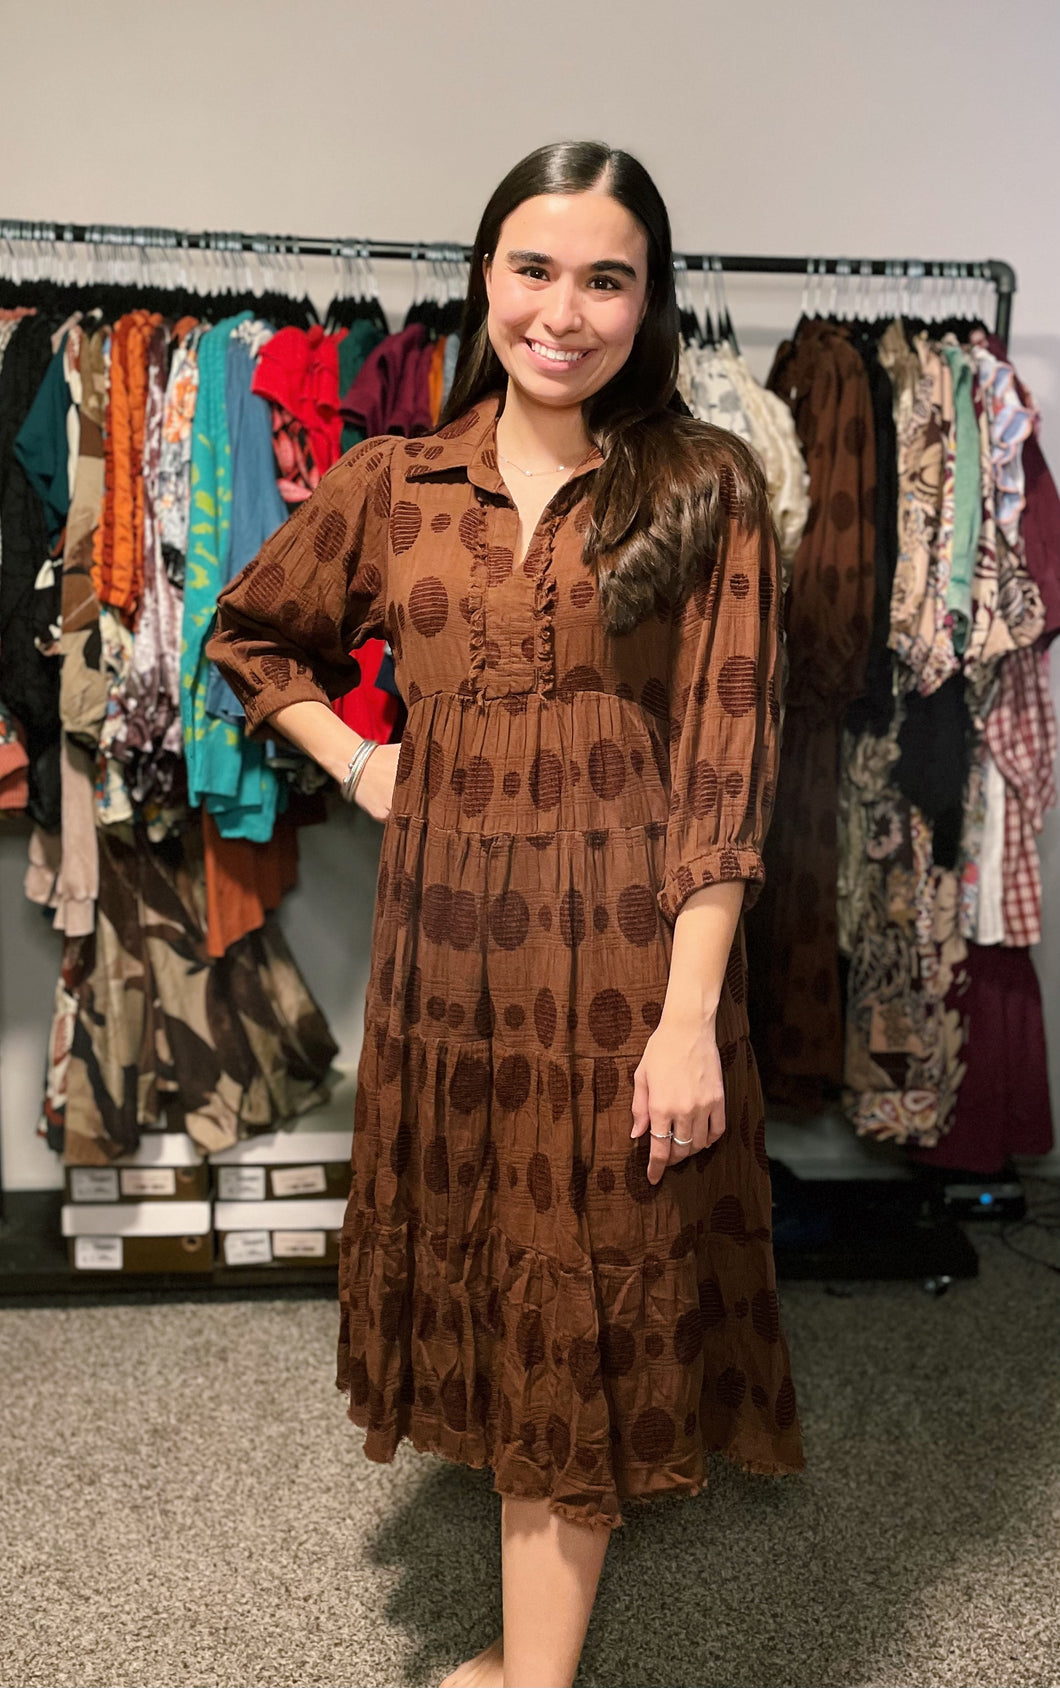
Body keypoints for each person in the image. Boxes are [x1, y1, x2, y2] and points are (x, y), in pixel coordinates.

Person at [208, 140, 804, 1688]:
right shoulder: (399, 482)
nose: (566, 309)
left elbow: (727, 773)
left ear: (649, 300)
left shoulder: (707, 485)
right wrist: (363, 760)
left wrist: (688, 1027)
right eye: (536, 268)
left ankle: (529, 1680)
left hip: (622, 965)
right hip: (444, 969)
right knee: (487, 1267)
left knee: (587, 1284)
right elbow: (251, 633)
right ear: (486, 277)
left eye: (607, 277)